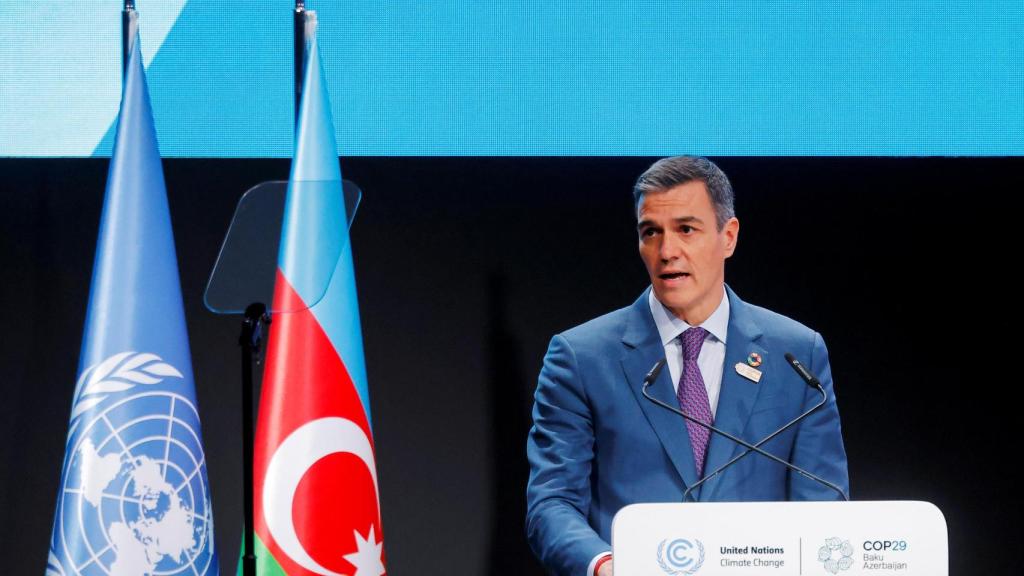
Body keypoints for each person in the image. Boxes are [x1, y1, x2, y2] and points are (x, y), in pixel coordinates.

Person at [525, 156, 849, 576]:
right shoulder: (581, 357)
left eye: (686, 229)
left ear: (728, 236)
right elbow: (552, 503)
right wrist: (606, 565)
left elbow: (823, 499)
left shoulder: (796, 354)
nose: (666, 251)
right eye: (650, 233)